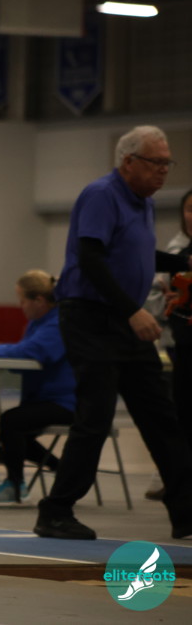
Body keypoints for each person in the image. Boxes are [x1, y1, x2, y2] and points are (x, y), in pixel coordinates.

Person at [35, 125, 192, 541]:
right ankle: (55, 511)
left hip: (123, 321)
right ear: (128, 162)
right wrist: (132, 311)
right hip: (91, 319)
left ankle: (186, 513)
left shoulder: (144, 202)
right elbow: (90, 258)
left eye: (168, 163)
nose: (164, 170)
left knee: (161, 417)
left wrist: (183, 264)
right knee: (96, 417)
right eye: (156, 162)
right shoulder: (102, 194)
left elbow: (138, 254)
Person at [0, 270, 76, 502]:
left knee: (11, 423)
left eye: (22, 300)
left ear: (39, 301)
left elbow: (32, 352)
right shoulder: (38, 323)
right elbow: (24, 357)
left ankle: (15, 484)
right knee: (10, 429)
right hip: (44, 399)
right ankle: (62, 469)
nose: (20, 306)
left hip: (67, 402)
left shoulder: (58, 323)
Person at [141, 188, 192, 500]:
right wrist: (171, 299)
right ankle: (179, 480)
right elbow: (155, 297)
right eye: (189, 209)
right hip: (181, 342)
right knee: (181, 413)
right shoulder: (176, 251)